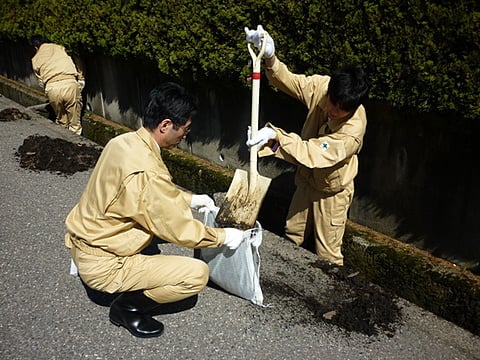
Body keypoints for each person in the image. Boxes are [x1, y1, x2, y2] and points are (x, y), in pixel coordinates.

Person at [65, 82, 245, 338]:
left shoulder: (124, 142)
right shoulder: (148, 170)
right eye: (185, 130)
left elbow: (146, 196)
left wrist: (191, 199)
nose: (185, 136)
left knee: (154, 233)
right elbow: (179, 228)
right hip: (103, 265)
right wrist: (224, 237)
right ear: (165, 125)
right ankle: (127, 308)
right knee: (196, 275)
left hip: (82, 241)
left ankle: (98, 272)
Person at [245, 25, 369, 266]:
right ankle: (284, 280)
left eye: (340, 110)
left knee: (328, 254)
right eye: (331, 103)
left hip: (331, 191)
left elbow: (314, 153)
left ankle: (331, 297)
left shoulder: (352, 131)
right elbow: (292, 82)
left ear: (352, 108)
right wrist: (270, 58)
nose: (331, 111)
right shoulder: (324, 88)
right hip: (306, 180)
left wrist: (277, 137)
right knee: (292, 233)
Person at [30, 35, 84, 135]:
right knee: (75, 123)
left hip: (52, 87)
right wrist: (80, 78)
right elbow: (76, 59)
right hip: (69, 83)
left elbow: (41, 82)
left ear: (35, 48)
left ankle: (63, 143)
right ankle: (77, 144)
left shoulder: (35, 59)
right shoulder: (60, 47)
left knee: (61, 122)